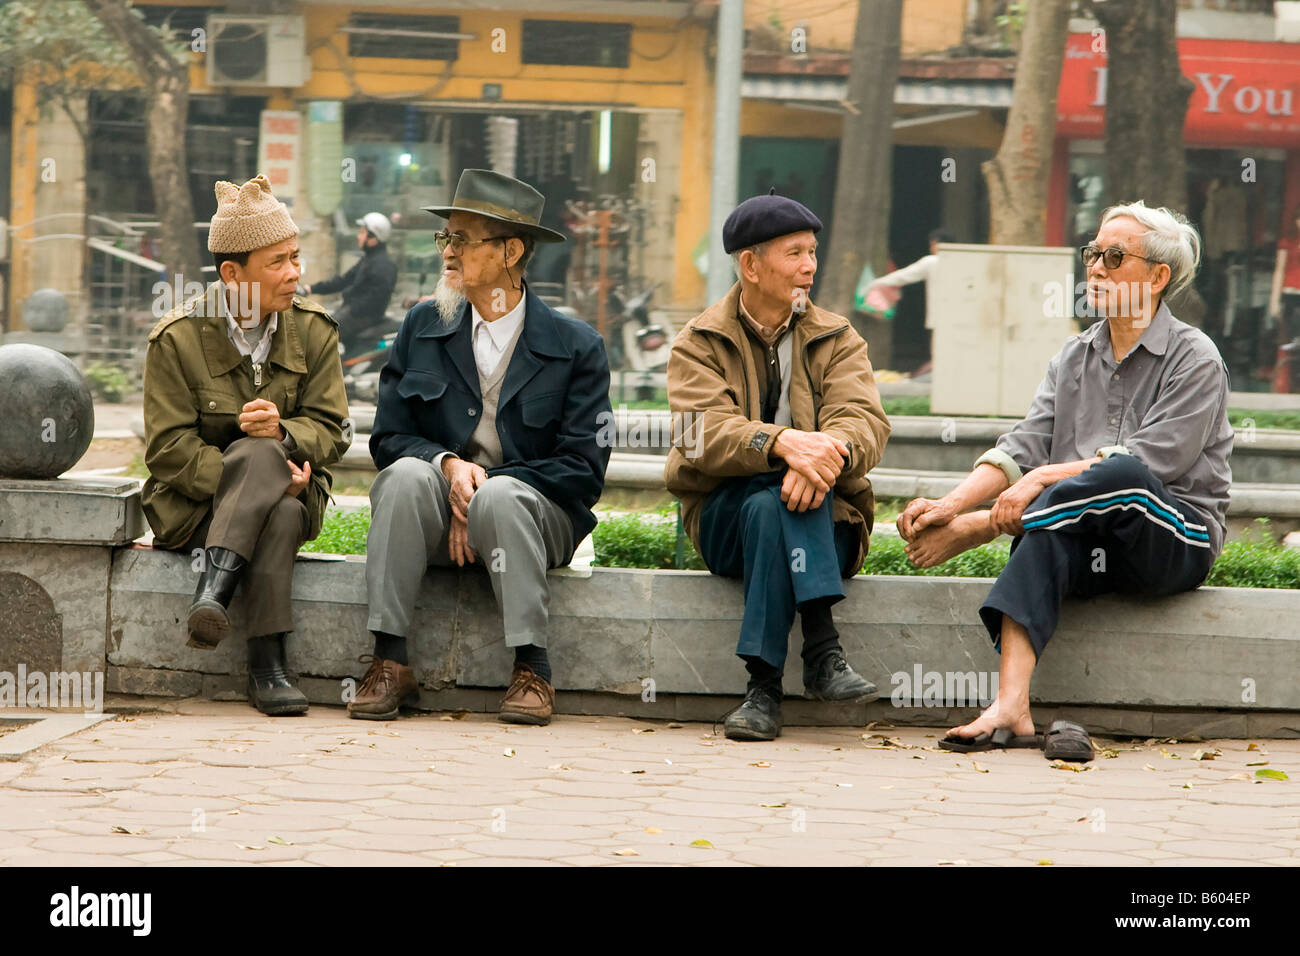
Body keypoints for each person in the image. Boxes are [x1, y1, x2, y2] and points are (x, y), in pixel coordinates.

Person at [897, 201, 1232, 762]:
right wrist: (948, 506)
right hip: (1087, 533)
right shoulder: (1074, 356)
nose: (1096, 267)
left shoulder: (1194, 357)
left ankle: (987, 529)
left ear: (1157, 278)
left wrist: (1004, 507)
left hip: (1175, 536)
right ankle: (1011, 706)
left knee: (1120, 473)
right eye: (1093, 253)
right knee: (1050, 531)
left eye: (1115, 256)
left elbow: (1150, 465)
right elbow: (1020, 446)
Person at [350, 169, 612, 724]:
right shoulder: (421, 326)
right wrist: (447, 467)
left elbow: (582, 469)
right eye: (446, 238)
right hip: (437, 516)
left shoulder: (577, 347)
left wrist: (488, 488)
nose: (448, 251)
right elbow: (389, 437)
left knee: (502, 499)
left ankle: (532, 669)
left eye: (463, 239)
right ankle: (389, 661)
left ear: (512, 251)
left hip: (536, 522)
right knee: (403, 476)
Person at [664, 190, 892, 742]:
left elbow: (864, 422)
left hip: (828, 520)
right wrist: (782, 443)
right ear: (751, 264)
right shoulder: (698, 343)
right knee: (770, 490)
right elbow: (699, 433)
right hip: (723, 522)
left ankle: (763, 689)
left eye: (812, 252)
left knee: (775, 504)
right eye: (795, 253)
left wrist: (819, 458)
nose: (810, 266)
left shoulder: (838, 338)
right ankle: (822, 650)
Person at [142, 174, 350, 716]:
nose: (295, 274)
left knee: (275, 481)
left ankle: (213, 593)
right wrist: (265, 470)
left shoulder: (315, 333)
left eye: (296, 257)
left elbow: (333, 431)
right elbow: (166, 449)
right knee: (267, 485)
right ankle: (268, 666)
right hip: (193, 510)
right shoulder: (178, 338)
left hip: (295, 493)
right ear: (232, 274)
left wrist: (287, 438)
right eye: (277, 262)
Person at [303, 211, 398, 354]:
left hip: (362, 316)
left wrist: (351, 306)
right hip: (355, 313)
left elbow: (376, 298)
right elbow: (343, 281)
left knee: (319, 336)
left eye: (362, 232)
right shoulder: (369, 259)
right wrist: (310, 289)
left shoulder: (383, 265)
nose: (358, 236)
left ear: (373, 237)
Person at [1267, 203, 1300, 387]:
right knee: (1292, 340)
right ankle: (1294, 382)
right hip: (1291, 294)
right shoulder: (1288, 241)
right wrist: (1274, 301)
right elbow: (1279, 270)